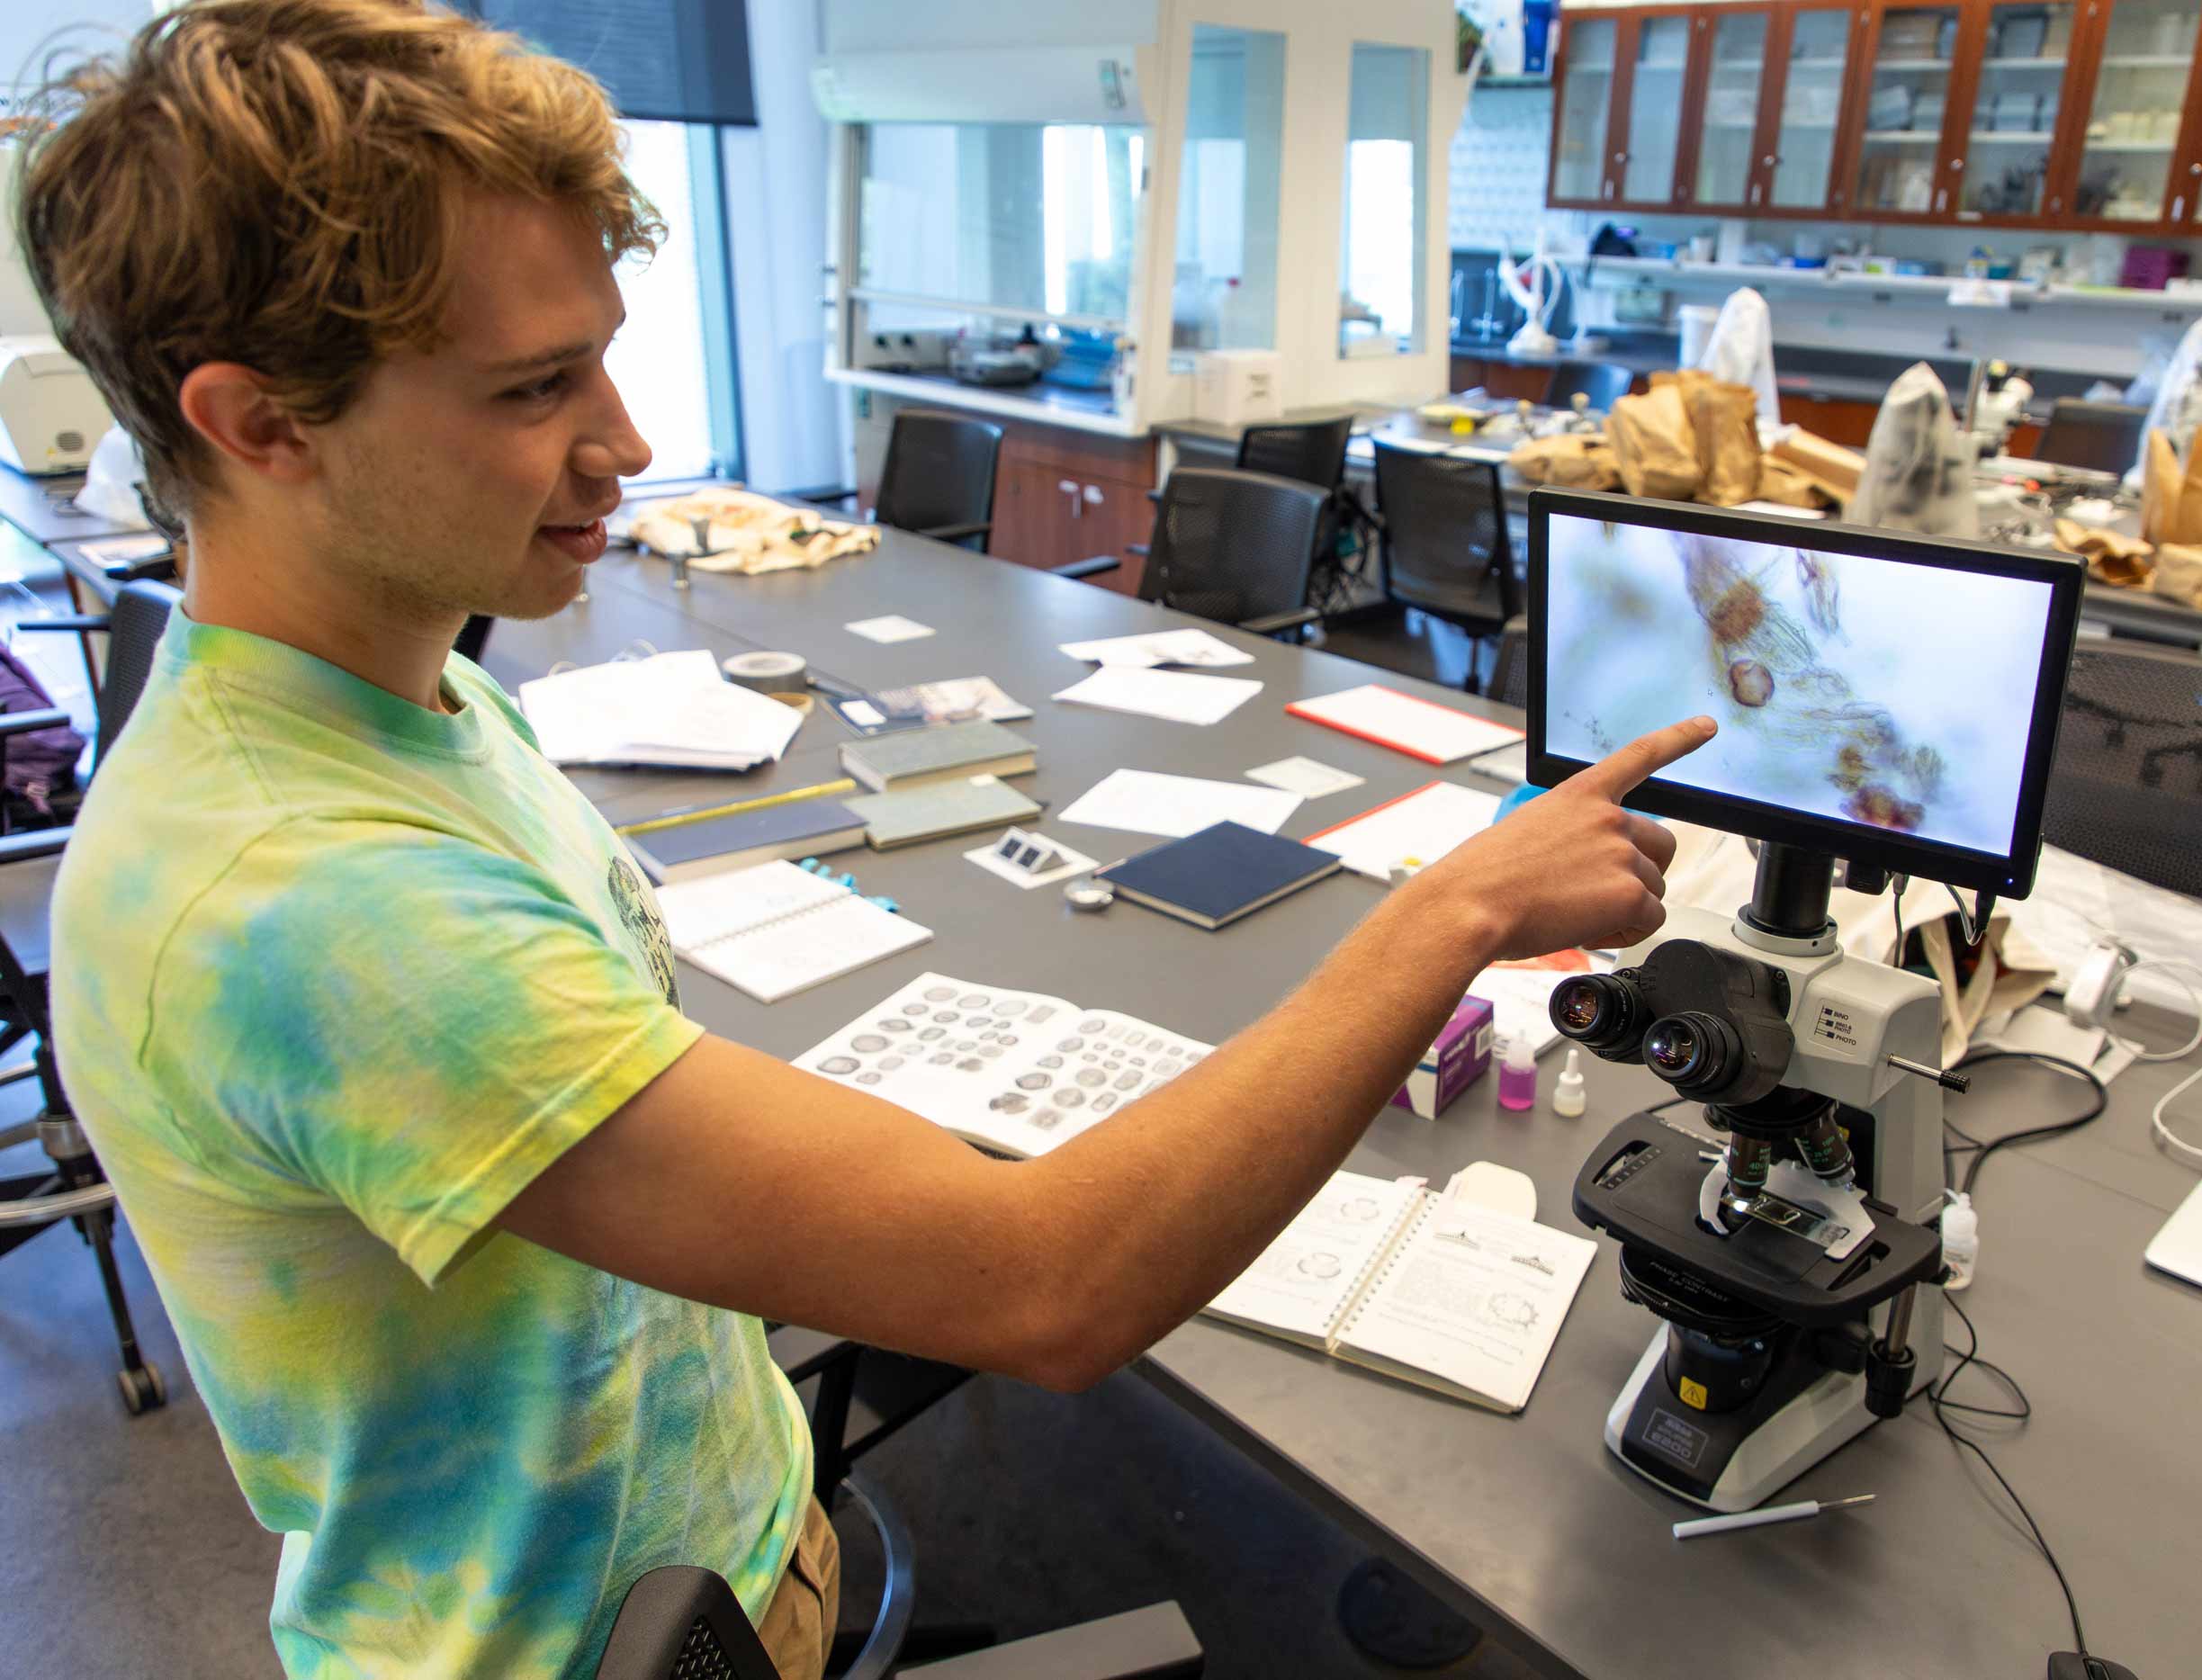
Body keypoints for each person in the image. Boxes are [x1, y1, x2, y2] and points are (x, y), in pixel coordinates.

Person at [20, 4, 1714, 1676]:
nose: (628, 442)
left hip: (711, 1549)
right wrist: (1447, 912)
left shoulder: (411, 704)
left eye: (603, 353)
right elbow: (1048, 1284)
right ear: (259, 424)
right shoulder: (315, 902)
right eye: (536, 387)